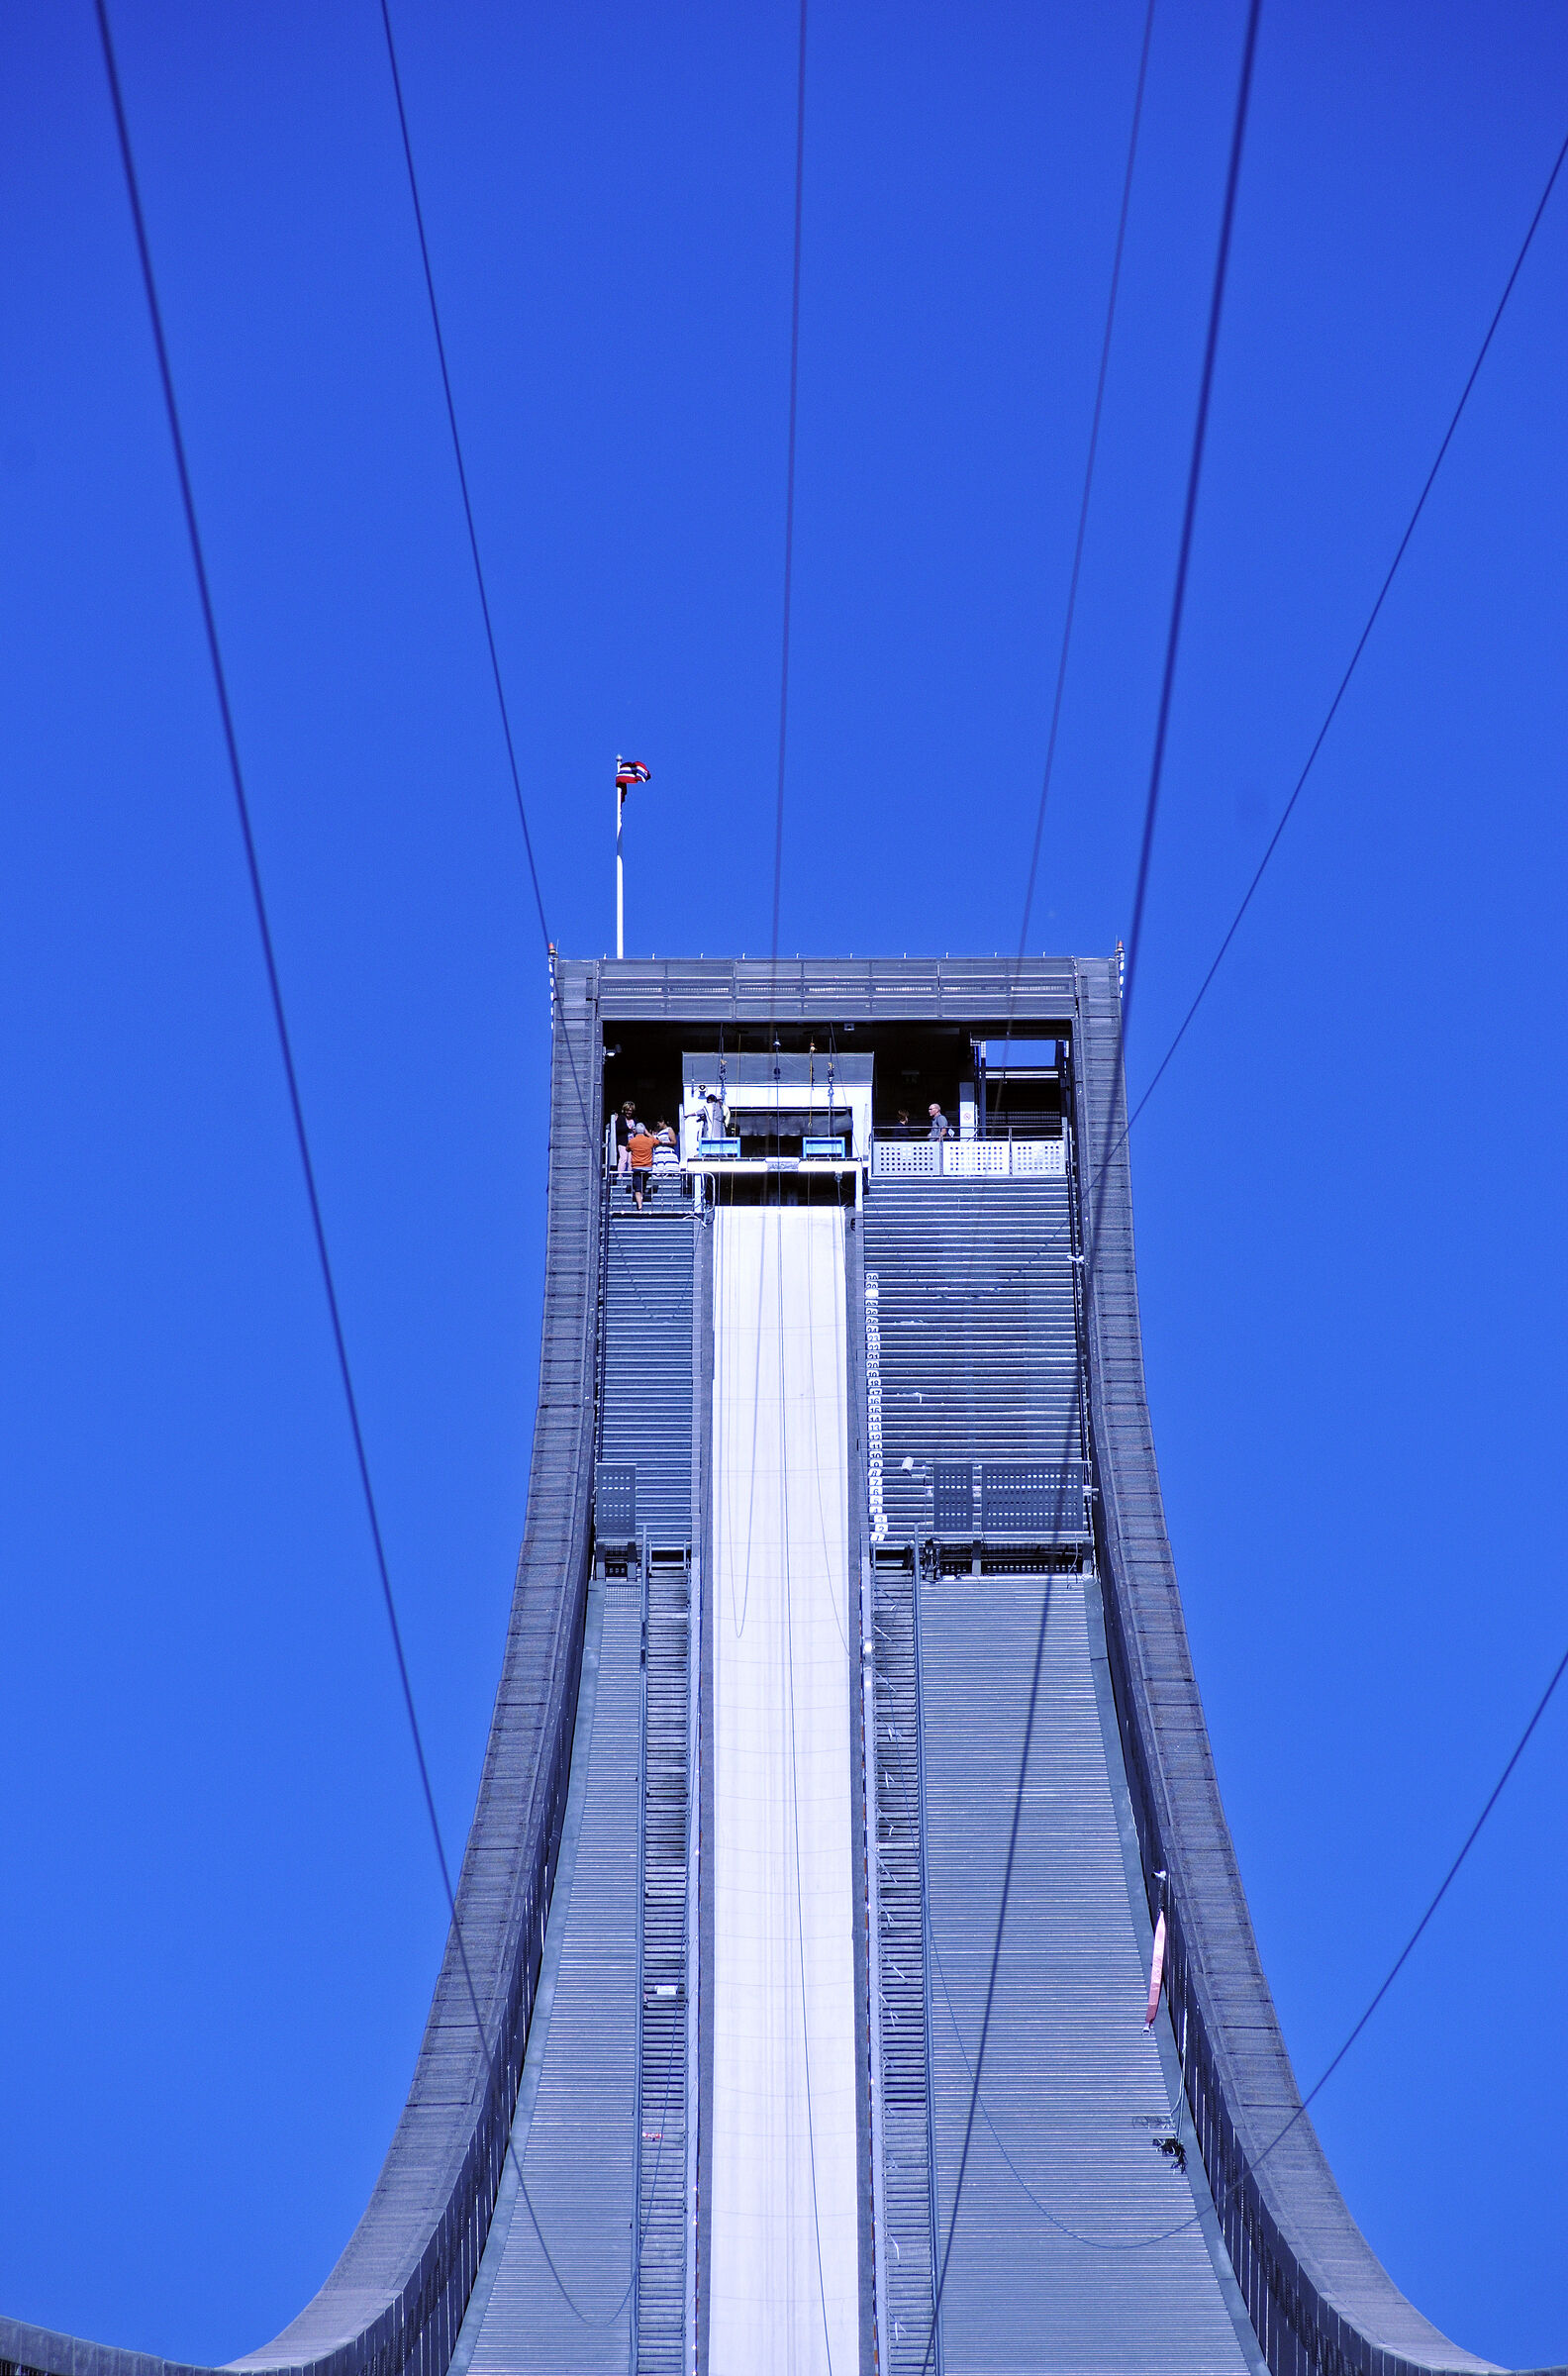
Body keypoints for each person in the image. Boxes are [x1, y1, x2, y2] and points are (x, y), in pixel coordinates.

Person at [628, 1121, 655, 1210]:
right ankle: (641, 1199)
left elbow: (627, 1149)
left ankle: (640, 1205)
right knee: (643, 1184)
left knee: (638, 1188)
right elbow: (658, 1141)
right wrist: (648, 1134)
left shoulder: (632, 1141)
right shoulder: (650, 1140)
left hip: (636, 1167)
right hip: (647, 1167)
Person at [614, 1101, 637, 1179]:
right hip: (623, 1142)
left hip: (632, 1142)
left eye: (630, 1110)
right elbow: (617, 1129)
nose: (628, 1112)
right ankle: (620, 1175)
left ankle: (630, 1175)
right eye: (627, 1110)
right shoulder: (621, 1118)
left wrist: (635, 1131)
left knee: (631, 1160)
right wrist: (627, 1129)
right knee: (623, 1159)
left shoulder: (634, 1119)